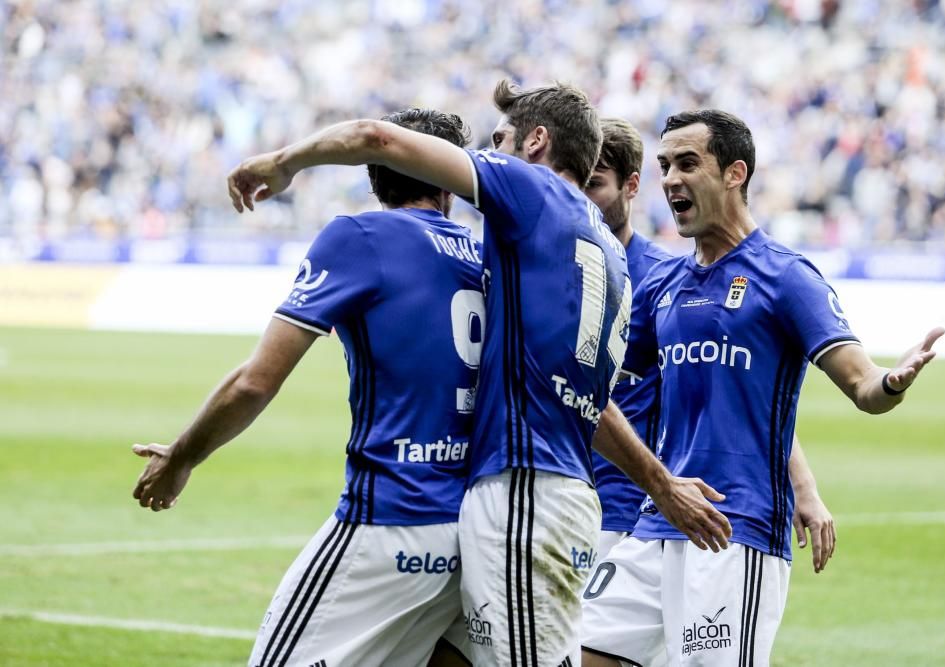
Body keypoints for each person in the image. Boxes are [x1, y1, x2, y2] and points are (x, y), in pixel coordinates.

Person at [227, 80, 732, 667]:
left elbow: (376, 136)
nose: (490, 155)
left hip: (523, 494)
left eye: (500, 141)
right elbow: (583, 403)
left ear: (537, 142)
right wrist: (662, 484)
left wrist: (283, 162)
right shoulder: (607, 251)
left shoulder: (533, 191)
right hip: (553, 489)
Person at [580, 110, 944, 667]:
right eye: (664, 167)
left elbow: (863, 384)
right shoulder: (664, 283)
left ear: (734, 173)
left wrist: (892, 381)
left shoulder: (785, 276)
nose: (671, 179)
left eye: (687, 163)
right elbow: (598, 380)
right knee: (579, 651)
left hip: (735, 529)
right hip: (659, 519)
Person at [131, 108, 482, 667]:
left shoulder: (360, 237)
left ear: (374, 173)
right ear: (450, 183)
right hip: (472, 532)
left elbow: (255, 381)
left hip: (388, 518)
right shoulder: (486, 258)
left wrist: (182, 457)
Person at [584, 118, 837, 569]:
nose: (581, 200)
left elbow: (738, 390)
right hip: (569, 496)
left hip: (637, 505)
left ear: (629, 187)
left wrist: (803, 485)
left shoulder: (660, 278)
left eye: (595, 185)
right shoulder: (551, 271)